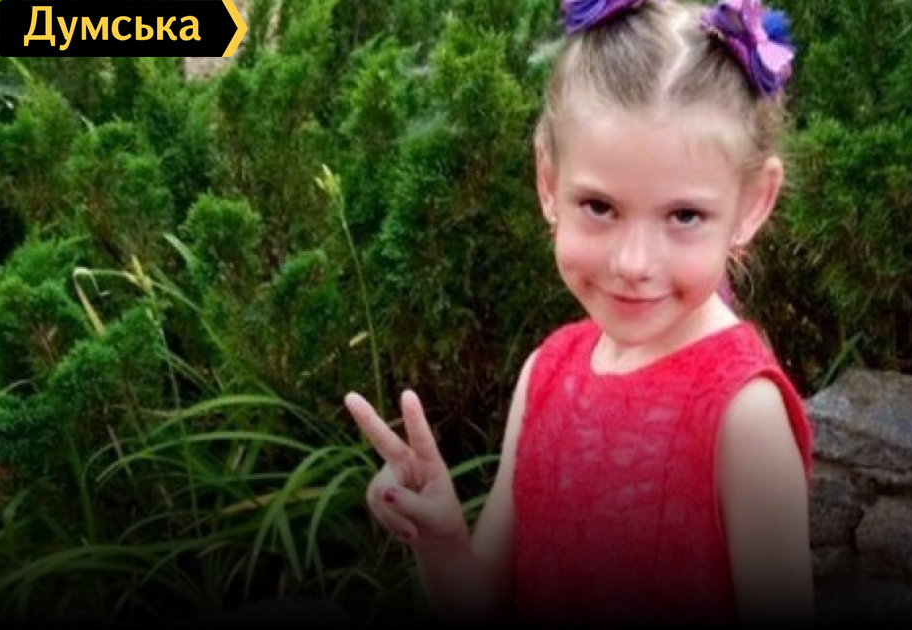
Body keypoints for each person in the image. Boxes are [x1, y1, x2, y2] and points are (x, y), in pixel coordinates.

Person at [344, 0, 815, 626]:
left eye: (684, 216)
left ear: (753, 204)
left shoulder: (744, 415)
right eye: (599, 207)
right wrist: (443, 542)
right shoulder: (547, 373)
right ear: (549, 182)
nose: (634, 262)